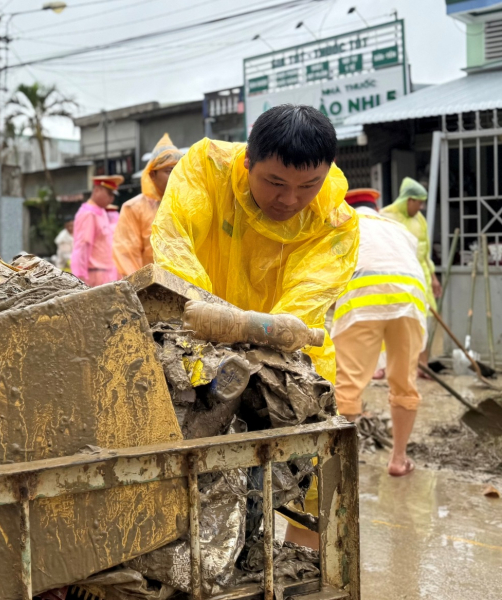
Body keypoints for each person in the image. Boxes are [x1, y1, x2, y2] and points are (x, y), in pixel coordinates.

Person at [152, 104, 359, 385]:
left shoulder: (335, 222)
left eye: (309, 186)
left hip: (283, 354)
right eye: (275, 182)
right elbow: (176, 246)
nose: (289, 199)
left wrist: (250, 340)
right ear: (248, 159)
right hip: (197, 334)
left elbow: (299, 309)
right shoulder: (208, 167)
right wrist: (201, 318)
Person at [331, 188, 427, 477]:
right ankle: (398, 459)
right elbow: (412, 263)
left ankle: (341, 466)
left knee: (348, 384)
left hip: (362, 297)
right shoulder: (396, 227)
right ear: (376, 206)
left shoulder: (340, 224)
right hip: (410, 297)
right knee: (404, 382)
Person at [113, 133, 183, 276]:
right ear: (152, 175)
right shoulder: (133, 208)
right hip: (151, 289)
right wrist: (139, 291)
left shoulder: (189, 206)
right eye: (169, 171)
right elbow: (127, 255)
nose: (175, 176)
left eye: (179, 170)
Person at [381, 177, 442, 307]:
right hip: (397, 281)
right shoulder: (385, 217)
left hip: (421, 278)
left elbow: (425, 252)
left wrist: (433, 278)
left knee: (422, 318)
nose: (421, 207)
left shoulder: (420, 220)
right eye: (419, 203)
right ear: (409, 200)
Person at [71, 175, 123, 287]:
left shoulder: (101, 212)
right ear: (97, 190)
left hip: (106, 273)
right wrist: (79, 278)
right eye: (109, 193)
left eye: (113, 195)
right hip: (93, 275)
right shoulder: (88, 214)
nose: (111, 198)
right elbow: (82, 246)